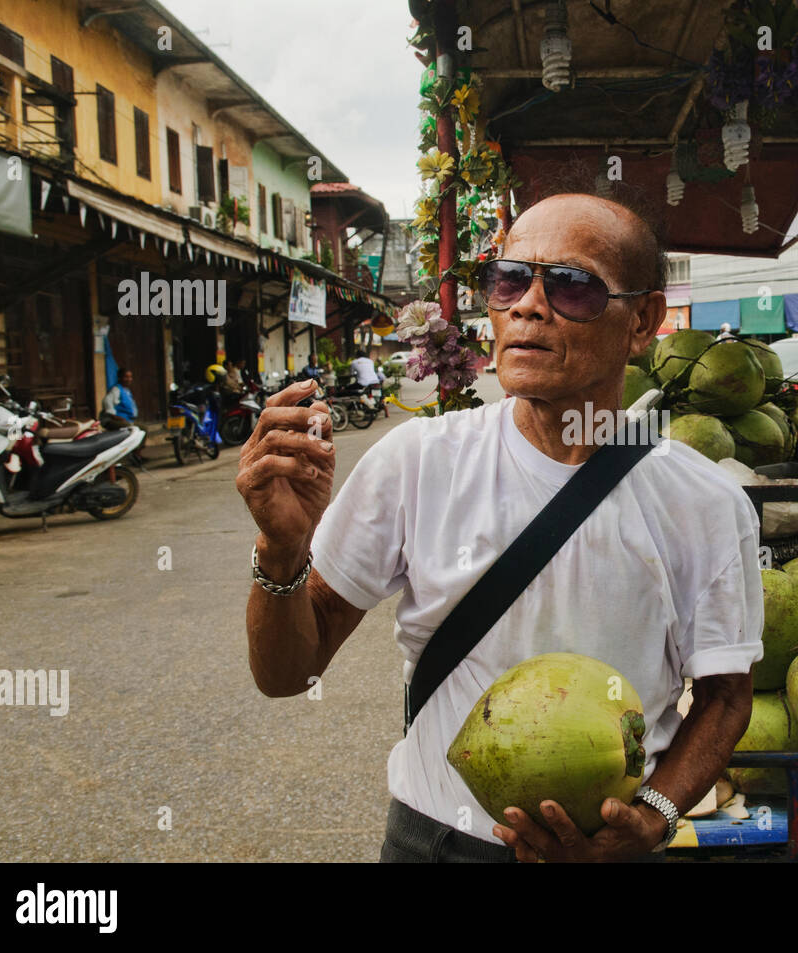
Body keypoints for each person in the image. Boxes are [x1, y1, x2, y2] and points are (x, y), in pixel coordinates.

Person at [236, 193, 762, 863]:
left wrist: (654, 815)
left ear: (643, 321)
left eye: (571, 286)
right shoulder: (417, 462)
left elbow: (725, 696)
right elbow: (288, 675)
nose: (527, 306)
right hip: (436, 841)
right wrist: (280, 553)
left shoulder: (705, 502)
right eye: (510, 279)